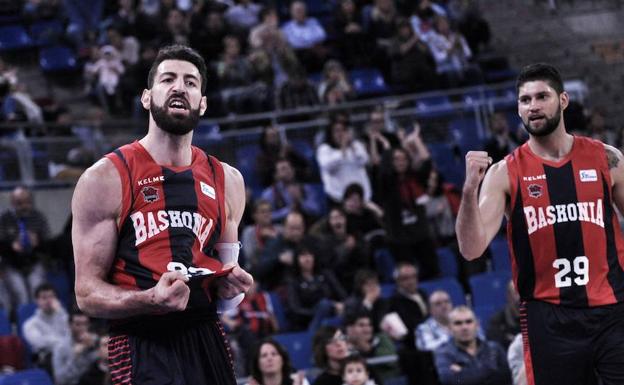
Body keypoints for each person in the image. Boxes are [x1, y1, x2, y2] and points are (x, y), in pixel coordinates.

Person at [71, 45, 254, 385]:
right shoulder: (106, 178)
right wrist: (151, 298)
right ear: (146, 97)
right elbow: (87, 294)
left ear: (202, 102)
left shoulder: (227, 179)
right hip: (143, 339)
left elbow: (229, 297)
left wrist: (234, 285)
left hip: (206, 336)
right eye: (168, 79)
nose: (179, 87)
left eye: (190, 82)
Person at [456, 62, 624, 385]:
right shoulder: (504, 172)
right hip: (548, 317)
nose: (532, 106)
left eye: (541, 97)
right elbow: (471, 249)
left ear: (563, 101)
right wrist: (467, 192)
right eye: (524, 100)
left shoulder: (606, 158)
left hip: (611, 308)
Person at [433, 306, 511, 385]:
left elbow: (507, 377)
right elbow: (449, 381)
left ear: (477, 325)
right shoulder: (443, 353)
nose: (464, 327)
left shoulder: (494, 349)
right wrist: (491, 370)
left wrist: (464, 372)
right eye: (458, 323)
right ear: (449, 328)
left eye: (469, 322)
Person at [22, 284, 70, 372]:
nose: (48, 301)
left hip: (70, 353)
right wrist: (64, 344)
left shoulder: (62, 315)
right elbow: (40, 342)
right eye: (44, 298)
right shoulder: (30, 324)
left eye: (51, 297)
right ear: (37, 301)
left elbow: (72, 332)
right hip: (48, 358)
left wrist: (60, 312)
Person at [52, 311, 99, 385]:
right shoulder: (60, 347)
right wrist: (75, 357)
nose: (82, 328)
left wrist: (92, 349)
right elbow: (60, 380)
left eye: (85, 324)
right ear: (69, 325)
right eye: (78, 324)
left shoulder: (96, 341)